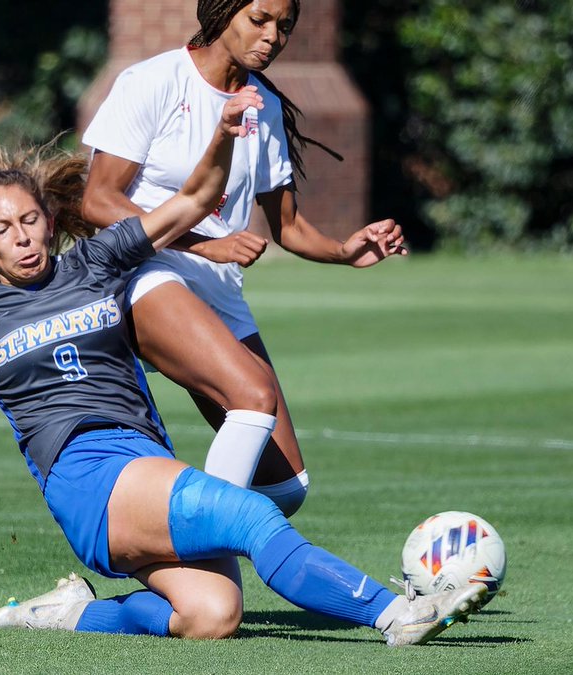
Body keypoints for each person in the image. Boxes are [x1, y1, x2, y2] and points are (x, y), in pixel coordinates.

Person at [0, 87, 486, 645]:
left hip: (142, 461)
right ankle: (396, 613)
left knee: (213, 613)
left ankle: (70, 613)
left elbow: (196, 200)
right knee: (247, 512)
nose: (21, 238)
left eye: (28, 220)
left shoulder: (96, 262)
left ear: (47, 219)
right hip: (85, 478)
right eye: (0, 231)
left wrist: (224, 134)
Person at [81, 0, 409, 517]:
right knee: (252, 395)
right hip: (142, 271)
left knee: (285, 486)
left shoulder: (264, 106)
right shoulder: (153, 81)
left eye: (285, 26)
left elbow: (290, 228)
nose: (273, 37)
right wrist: (203, 244)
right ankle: (196, 549)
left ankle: (165, 513)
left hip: (216, 286)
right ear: (222, 14)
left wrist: (345, 251)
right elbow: (98, 200)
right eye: (259, 20)